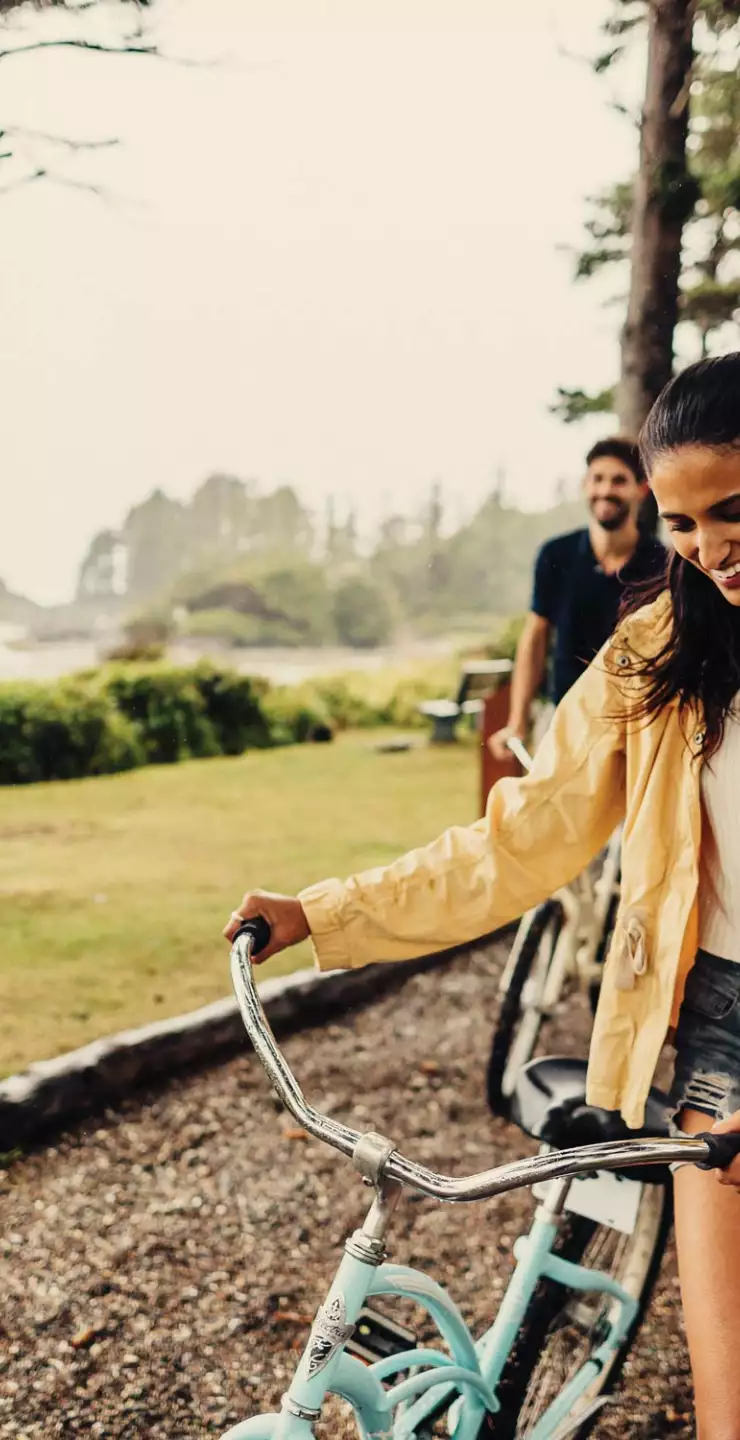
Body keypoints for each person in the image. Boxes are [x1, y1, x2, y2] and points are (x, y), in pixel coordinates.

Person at [225, 352, 740, 1435]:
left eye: (731, 509)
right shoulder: (657, 652)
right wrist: (324, 912)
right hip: (721, 1044)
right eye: (681, 524)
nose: (708, 548)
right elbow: (517, 841)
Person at [489, 437, 665, 761]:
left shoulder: (661, 562)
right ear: (585, 486)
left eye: (619, 480)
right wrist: (517, 722)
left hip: (636, 725)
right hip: (564, 719)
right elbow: (535, 640)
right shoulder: (557, 554)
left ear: (642, 489)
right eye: (597, 479)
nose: (605, 490)